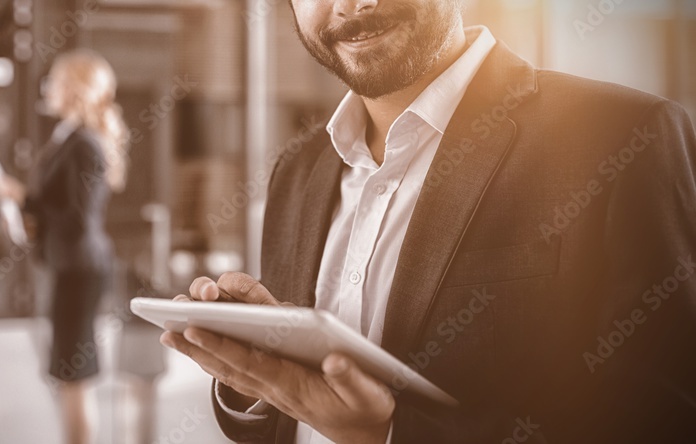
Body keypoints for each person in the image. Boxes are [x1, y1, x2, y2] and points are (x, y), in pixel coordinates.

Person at [160, 1, 696, 443]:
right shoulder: (295, 172)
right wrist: (255, 381)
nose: (353, 5)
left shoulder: (624, 137)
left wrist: (394, 432)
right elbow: (285, 426)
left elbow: (664, 419)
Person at [0, 49, 128, 444]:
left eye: (55, 81)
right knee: (69, 373)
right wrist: (22, 204)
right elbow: (62, 208)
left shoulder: (84, 143)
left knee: (74, 375)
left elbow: (75, 218)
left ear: (74, 90)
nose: (47, 87)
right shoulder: (70, 135)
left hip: (80, 269)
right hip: (72, 265)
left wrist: (22, 198)